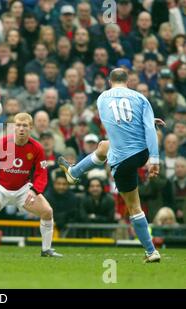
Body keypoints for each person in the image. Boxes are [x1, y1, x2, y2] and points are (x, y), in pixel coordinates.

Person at [59, 69, 161, 263]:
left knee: (134, 207)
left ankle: (151, 251)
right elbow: (148, 128)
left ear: (109, 81)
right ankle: (74, 172)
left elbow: (116, 122)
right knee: (104, 146)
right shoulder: (140, 98)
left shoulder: (102, 99)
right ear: (128, 80)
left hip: (123, 160)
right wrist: (154, 159)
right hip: (141, 154)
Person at [0, 113, 62, 258]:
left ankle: (46, 250)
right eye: (18, 125)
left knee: (47, 212)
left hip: (23, 190)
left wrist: (34, 190)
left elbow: (41, 173)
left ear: (31, 128)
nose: (21, 128)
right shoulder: (0, 143)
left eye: (25, 125)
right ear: (13, 127)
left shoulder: (37, 148)